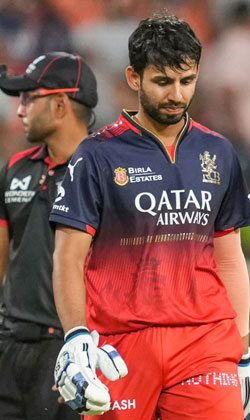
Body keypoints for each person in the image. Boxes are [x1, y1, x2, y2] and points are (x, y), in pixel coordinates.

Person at [49, 13, 250, 420]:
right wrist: (75, 337)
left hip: (205, 342)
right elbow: (67, 257)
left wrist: (242, 351)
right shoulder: (96, 156)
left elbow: (229, 258)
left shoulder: (218, 152)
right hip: (120, 347)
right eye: (162, 81)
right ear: (134, 78)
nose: (177, 95)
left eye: (187, 81)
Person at [0, 51, 98, 420]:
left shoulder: (106, 173)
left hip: (72, 350)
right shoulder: (14, 169)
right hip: (9, 348)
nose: (19, 110)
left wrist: (86, 353)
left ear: (59, 105)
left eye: (28, 98)